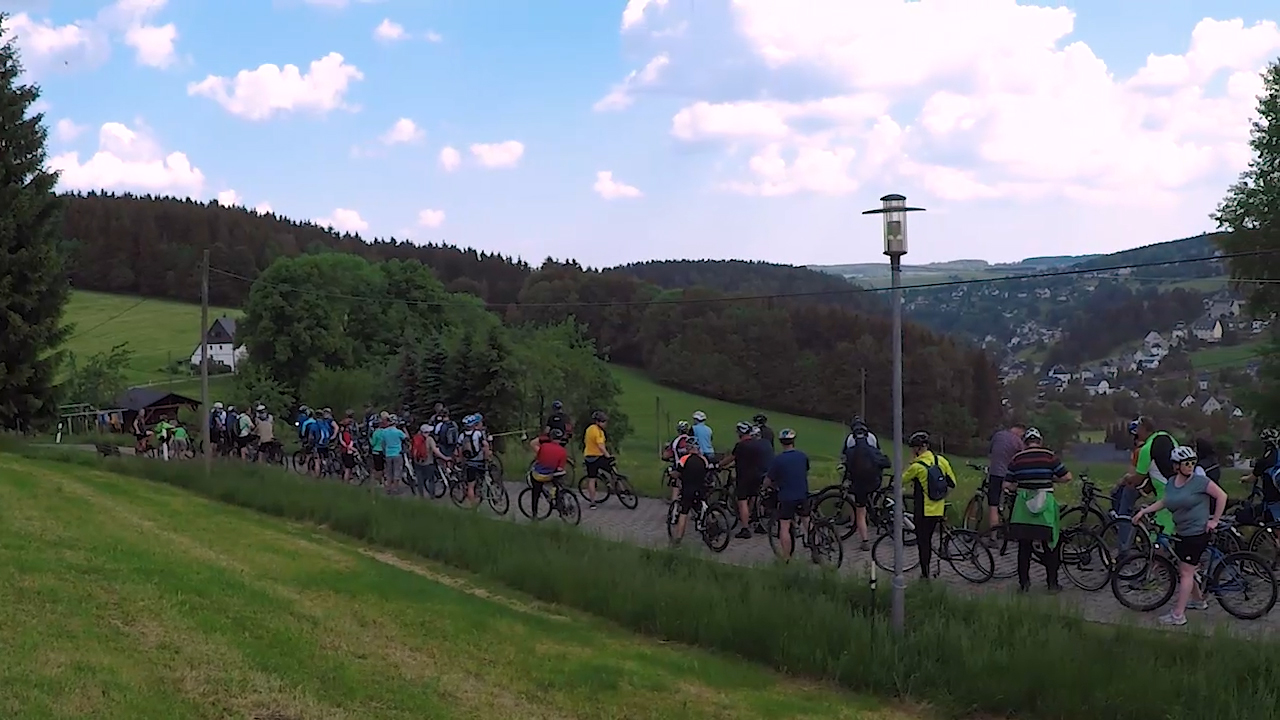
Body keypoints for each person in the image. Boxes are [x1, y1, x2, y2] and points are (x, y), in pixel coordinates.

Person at [1131, 445, 1227, 626]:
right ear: (1176, 466)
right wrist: (1144, 512)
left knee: (1186, 572)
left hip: (1196, 533)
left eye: (1192, 463)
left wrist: (1214, 520)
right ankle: (1199, 601)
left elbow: (1222, 496)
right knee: (1187, 569)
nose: (1190, 466)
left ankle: (1178, 615)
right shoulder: (1172, 483)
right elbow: (1165, 501)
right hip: (1182, 532)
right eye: (1186, 463)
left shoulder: (1200, 482)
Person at [1006, 427, 1072, 593]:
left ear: (1025, 442)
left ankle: (1024, 584)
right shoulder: (1049, 456)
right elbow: (1067, 477)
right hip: (1045, 508)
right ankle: (1052, 584)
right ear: (1040, 441)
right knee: (1050, 545)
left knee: (1024, 547)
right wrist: (1051, 479)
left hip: (1023, 510)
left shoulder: (1016, 458)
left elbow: (1007, 484)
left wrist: (1019, 485)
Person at [901, 431, 957, 580]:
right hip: (938, 508)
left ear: (918, 449)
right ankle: (937, 559)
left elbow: (900, 481)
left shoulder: (917, 466)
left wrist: (909, 462)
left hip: (923, 510)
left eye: (913, 448)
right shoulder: (941, 461)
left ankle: (925, 574)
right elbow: (952, 483)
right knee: (930, 537)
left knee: (923, 542)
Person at [843, 417, 891, 551]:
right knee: (874, 495)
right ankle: (878, 513)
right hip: (875, 480)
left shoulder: (850, 445)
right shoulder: (872, 440)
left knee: (861, 513)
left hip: (859, 484)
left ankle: (865, 541)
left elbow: (846, 461)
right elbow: (881, 458)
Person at [1127, 416, 1177, 536]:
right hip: (1180, 485)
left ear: (1144, 429)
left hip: (1164, 492)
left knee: (1160, 532)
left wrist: (1126, 479)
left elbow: (1139, 478)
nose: (1137, 434)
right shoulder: (1167, 437)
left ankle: (1158, 552)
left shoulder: (1146, 450)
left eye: (1138, 429)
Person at [766, 428, 809, 562]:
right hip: (803, 493)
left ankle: (786, 557)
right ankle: (816, 546)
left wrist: (765, 487)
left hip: (787, 497)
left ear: (781, 442)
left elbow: (769, 479)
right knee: (807, 521)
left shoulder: (778, 460)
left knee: (784, 526)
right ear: (793, 441)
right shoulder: (802, 456)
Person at [723, 421, 770, 539]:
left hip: (744, 476)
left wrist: (718, 465)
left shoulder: (741, 445)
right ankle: (754, 518)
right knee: (753, 497)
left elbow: (731, 458)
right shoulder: (757, 444)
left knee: (742, 501)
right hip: (757, 475)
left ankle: (745, 528)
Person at [985, 423, 1026, 529]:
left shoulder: (998, 435)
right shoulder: (1018, 441)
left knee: (993, 506)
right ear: (1020, 431)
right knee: (1014, 501)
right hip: (1009, 477)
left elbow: (990, 452)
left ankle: (993, 537)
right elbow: (1022, 458)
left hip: (994, 474)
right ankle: (1012, 528)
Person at [670, 440, 710, 546]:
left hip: (688, 490)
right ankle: (705, 523)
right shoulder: (703, 459)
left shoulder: (684, 459)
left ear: (688, 448)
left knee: (683, 514)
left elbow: (678, 473)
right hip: (701, 490)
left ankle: (678, 539)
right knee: (701, 508)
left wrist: (671, 473)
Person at [528, 428, 570, 519]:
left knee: (536, 492)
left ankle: (534, 514)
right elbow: (560, 468)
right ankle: (557, 499)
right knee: (557, 482)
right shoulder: (563, 451)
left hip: (539, 475)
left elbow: (538, 459)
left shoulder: (544, 446)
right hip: (552, 475)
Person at [1245, 428, 1280, 522]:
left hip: (1273, 497)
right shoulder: (1277, 455)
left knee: (1274, 524)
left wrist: (1244, 479)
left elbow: (1252, 478)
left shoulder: (1264, 460)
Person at [582, 410, 613, 509]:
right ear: (598, 422)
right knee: (612, 468)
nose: (605, 424)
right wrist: (608, 456)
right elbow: (601, 446)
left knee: (591, 479)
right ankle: (619, 488)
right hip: (597, 456)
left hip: (588, 456)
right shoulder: (599, 432)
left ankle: (592, 502)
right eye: (603, 422)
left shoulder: (589, 429)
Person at [460, 413, 492, 504]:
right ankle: (482, 494)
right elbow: (485, 445)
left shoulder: (461, 436)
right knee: (483, 478)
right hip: (480, 460)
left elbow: (459, 450)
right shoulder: (478, 433)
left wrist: (462, 461)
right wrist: (487, 457)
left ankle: (473, 506)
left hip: (469, 462)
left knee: (471, 486)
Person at [663, 420, 697, 502]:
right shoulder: (692, 440)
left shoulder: (676, 441)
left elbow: (666, 455)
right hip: (694, 465)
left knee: (675, 480)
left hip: (680, 466)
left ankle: (674, 504)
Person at [410, 423, 447, 495]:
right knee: (431, 479)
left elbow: (411, 449)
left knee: (420, 480)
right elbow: (435, 450)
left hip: (417, 462)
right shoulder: (429, 439)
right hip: (428, 463)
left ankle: (421, 496)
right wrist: (444, 457)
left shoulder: (416, 438)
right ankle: (432, 496)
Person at [380, 413, 409, 493]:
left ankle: (388, 488)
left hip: (388, 454)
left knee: (389, 472)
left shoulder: (384, 432)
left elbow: (383, 443)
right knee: (397, 471)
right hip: (397, 453)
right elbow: (407, 437)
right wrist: (404, 428)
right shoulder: (398, 432)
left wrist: (384, 452)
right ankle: (395, 488)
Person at [337, 416, 359, 483]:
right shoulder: (346, 434)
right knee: (348, 468)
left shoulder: (341, 434)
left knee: (347, 468)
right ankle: (346, 481)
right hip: (347, 452)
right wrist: (354, 449)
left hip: (344, 451)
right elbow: (347, 444)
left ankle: (347, 480)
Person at [369, 411, 389, 484]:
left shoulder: (375, 433)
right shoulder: (384, 431)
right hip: (384, 451)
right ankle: (386, 479)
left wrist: (370, 440)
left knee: (378, 468)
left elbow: (373, 443)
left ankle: (380, 482)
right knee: (384, 466)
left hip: (376, 451)